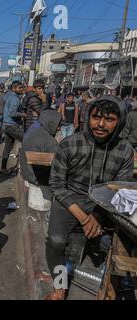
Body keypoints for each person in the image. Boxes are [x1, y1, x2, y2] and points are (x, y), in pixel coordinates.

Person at [46, 96, 134, 300]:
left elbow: (120, 192)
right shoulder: (69, 144)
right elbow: (57, 184)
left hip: (104, 203)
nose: (101, 124)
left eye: (109, 119)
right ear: (88, 117)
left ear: (119, 122)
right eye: (96, 117)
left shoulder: (125, 151)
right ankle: (60, 287)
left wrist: (97, 216)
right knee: (56, 242)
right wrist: (85, 219)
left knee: (117, 244)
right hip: (69, 199)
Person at [19, 110, 62, 202]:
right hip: (35, 177)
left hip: (27, 172)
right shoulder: (48, 140)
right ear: (50, 122)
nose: (58, 128)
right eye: (57, 125)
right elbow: (59, 162)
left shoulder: (34, 130)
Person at [1, 81, 25, 175]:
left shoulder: (8, 95)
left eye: (22, 87)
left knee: (7, 148)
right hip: (12, 125)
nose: (22, 89)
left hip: (7, 125)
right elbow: (12, 113)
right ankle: (21, 167)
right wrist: (24, 114)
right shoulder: (15, 98)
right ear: (14, 88)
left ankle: (3, 168)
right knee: (27, 140)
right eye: (20, 88)